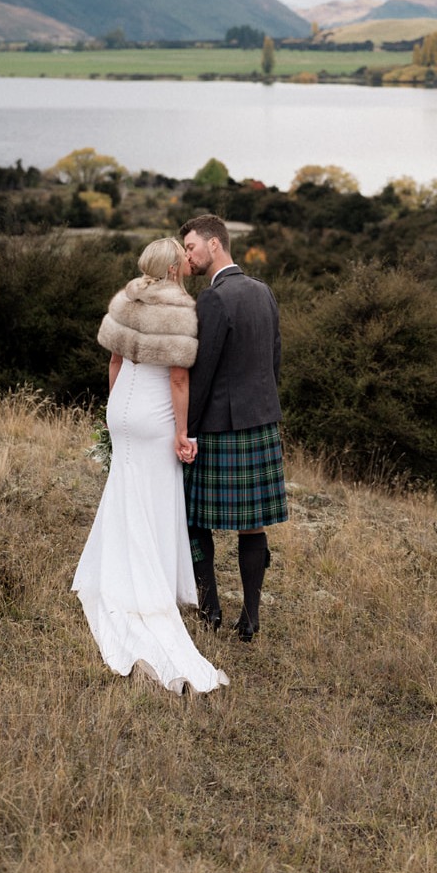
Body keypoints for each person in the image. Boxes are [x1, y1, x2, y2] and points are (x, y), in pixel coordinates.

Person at [72, 237, 228, 695]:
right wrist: (183, 432)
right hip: (155, 412)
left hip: (122, 407)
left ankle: (115, 574)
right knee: (155, 497)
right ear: (176, 268)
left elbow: (115, 360)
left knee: (124, 490)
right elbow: (179, 377)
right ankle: (147, 583)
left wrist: (113, 408)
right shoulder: (180, 308)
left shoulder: (126, 296)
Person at [180, 214, 288, 642]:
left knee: (193, 519)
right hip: (261, 421)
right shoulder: (263, 291)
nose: (188, 255)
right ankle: (251, 617)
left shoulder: (213, 298)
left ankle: (210, 612)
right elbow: (274, 359)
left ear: (214, 244)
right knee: (253, 524)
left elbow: (201, 374)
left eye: (191, 247)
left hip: (221, 426)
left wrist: (186, 430)